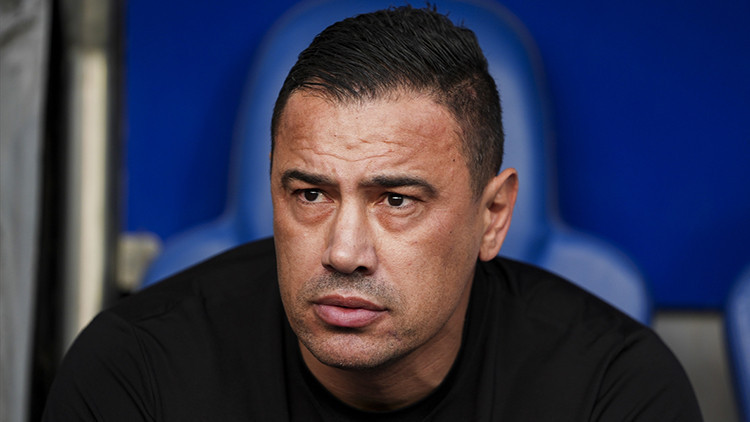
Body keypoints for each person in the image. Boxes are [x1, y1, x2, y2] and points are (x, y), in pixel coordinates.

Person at [43, 6, 702, 421]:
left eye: (396, 200)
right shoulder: (138, 371)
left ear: (493, 215)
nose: (343, 251)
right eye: (311, 194)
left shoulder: (612, 392)